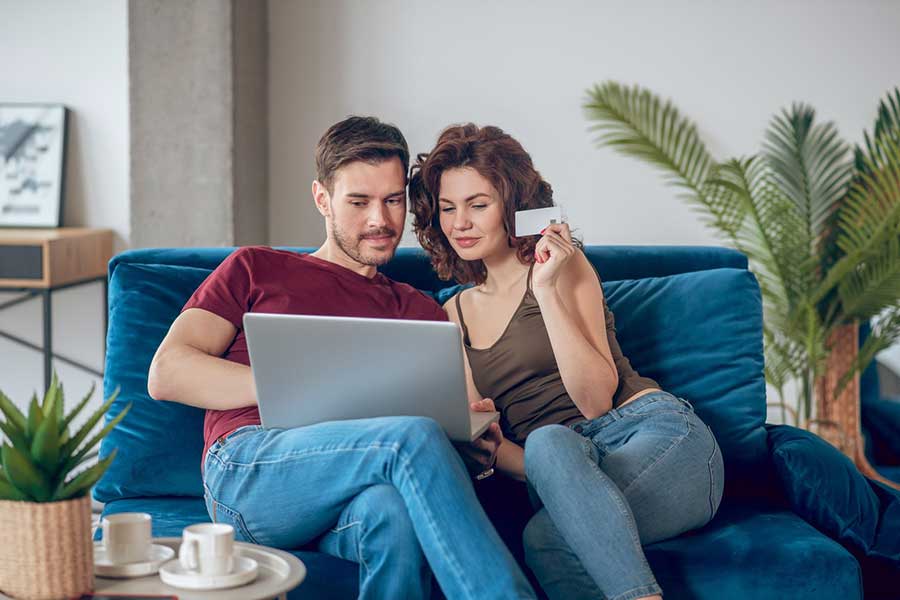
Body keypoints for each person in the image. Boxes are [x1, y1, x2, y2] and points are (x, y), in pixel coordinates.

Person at [147, 116, 536, 600]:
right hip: (250, 468)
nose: (380, 220)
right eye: (359, 202)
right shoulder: (256, 268)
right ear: (322, 198)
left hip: (358, 487)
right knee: (409, 437)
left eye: (393, 200)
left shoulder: (420, 312)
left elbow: (451, 424)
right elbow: (167, 372)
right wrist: (307, 387)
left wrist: (471, 445)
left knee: (393, 514)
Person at [409, 123, 725, 600]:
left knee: (549, 449)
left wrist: (545, 290)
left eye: (478, 205)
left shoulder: (563, 265)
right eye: (448, 208)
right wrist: (517, 459)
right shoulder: (452, 315)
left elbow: (596, 402)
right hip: (556, 466)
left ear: (513, 207)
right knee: (545, 524)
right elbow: (489, 445)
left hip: (653, 435)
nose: (461, 223)